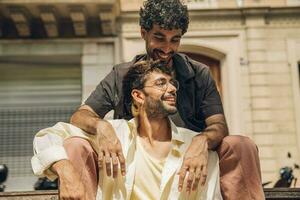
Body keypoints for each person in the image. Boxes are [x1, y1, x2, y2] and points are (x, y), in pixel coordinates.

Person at [33, 0, 264, 199]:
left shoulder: (199, 73)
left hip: (190, 165)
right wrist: (100, 127)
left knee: (239, 145)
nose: (167, 48)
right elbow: (79, 116)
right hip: (131, 168)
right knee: (76, 144)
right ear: (143, 32)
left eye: (175, 40)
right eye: (159, 38)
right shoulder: (122, 76)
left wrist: (201, 143)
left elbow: (218, 125)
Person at [32, 60, 223, 200]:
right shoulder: (114, 136)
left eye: (173, 83)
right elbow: (47, 136)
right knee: (74, 143)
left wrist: (203, 142)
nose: (172, 88)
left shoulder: (195, 147)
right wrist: (66, 171)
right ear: (138, 96)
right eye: (161, 83)